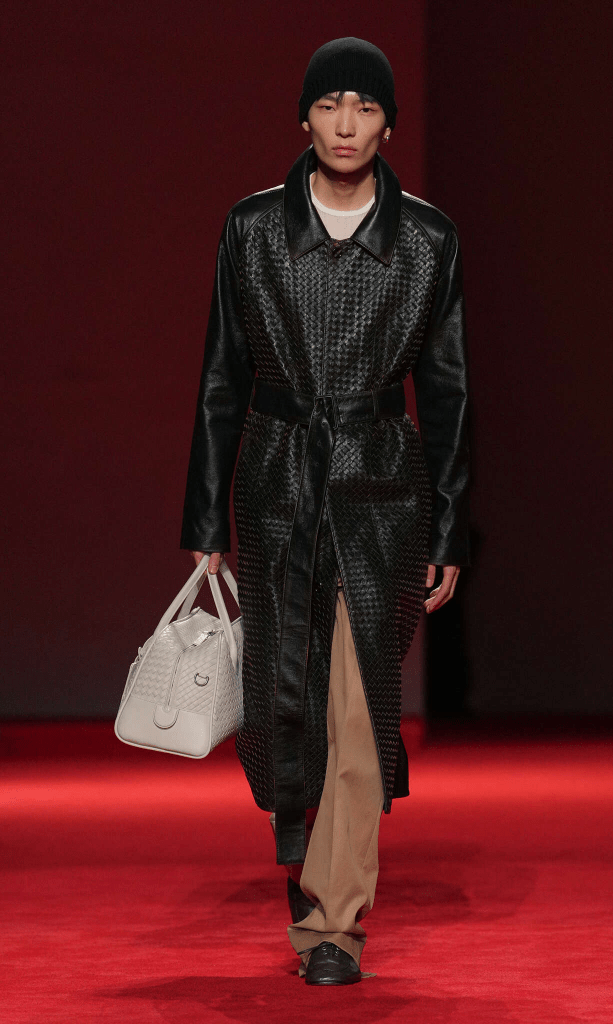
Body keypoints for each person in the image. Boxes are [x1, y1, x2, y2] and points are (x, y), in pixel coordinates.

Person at [180, 36, 471, 985]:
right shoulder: (252, 228)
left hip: (381, 487)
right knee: (286, 698)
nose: (346, 124)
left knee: (356, 700)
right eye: (330, 104)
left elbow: (448, 388)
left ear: (388, 124)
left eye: (366, 107)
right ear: (302, 117)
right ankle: (305, 859)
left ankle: (334, 922)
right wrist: (204, 524)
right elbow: (222, 378)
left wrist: (447, 524)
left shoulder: (426, 239)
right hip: (276, 484)